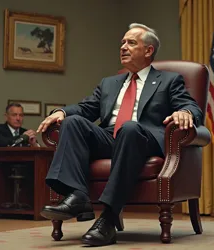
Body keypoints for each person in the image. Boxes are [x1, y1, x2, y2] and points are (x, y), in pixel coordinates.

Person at [37, 23, 203, 246]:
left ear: (148, 50)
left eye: (131, 43)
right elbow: (86, 108)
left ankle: (108, 219)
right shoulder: (109, 83)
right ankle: (77, 196)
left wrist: (185, 112)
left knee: (130, 128)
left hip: (142, 139)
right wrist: (61, 112)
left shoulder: (168, 80)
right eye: (122, 43)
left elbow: (191, 106)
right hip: (111, 138)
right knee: (73, 122)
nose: (123, 47)